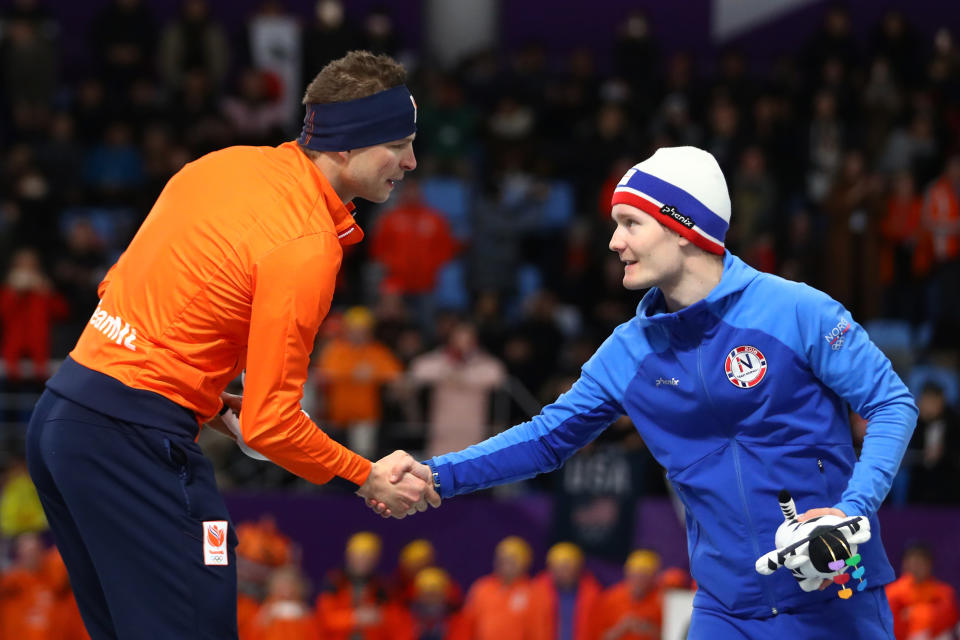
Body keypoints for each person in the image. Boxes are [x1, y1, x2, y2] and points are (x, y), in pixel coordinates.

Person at [378, 146, 918, 638]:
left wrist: (853, 512)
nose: (614, 241)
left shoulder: (797, 310)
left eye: (630, 223)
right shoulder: (628, 352)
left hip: (835, 590)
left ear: (684, 229)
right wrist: (439, 475)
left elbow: (892, 402)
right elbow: (546, 439)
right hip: (725, 610)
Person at [25, 49, 438, 639]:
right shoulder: (306, 245)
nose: (412, 161)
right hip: (133, 443)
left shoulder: (221, 165)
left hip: (60, 421)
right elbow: (271, 426)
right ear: (347, 146)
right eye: (399, 144)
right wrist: (364, 475)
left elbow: (118, 287)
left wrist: (211, 401)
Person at [885, 543, 959, 640]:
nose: (916, 567)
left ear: (929, 565)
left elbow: (949, 617)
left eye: (921, 562)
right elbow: (891, 624)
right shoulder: (892, 592)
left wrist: (914, 613)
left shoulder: (943, 591)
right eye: (913, 562)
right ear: (905, 564)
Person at [529, 542, 600, 640]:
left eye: (567, 568)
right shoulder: (536, 592)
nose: (562, 573)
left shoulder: (592, 594)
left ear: (578, 568)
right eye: (557, 569)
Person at [587, 550, 663, 640]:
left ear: (654, 578)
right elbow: (596, 636)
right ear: (627, 574)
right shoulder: (610, 599)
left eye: (644, 576)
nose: (638, 581)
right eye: (634, 576)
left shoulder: (662, 600)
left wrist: (646, 628)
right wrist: (622, 628)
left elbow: (671, 634)